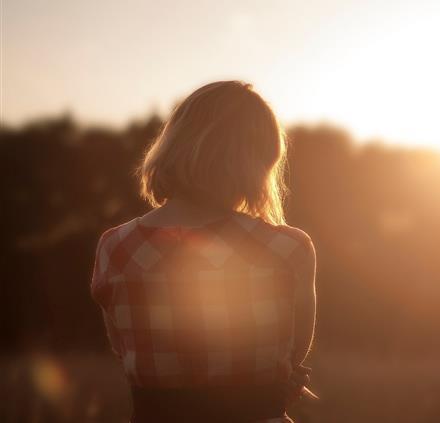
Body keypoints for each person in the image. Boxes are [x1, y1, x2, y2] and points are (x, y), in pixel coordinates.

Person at [90, 81, 317, 422]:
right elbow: (292, 354)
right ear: (258, 162)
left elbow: (126, 351)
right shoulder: (287, 248)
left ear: (173, 144)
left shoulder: (115, 247)